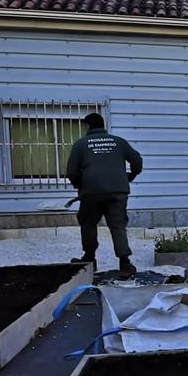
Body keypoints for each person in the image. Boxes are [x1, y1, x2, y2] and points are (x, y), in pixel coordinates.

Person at [66, 113, 142, 277]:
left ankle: (89, 259)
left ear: (88, 126)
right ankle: (125, 263)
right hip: (118, 190)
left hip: (91, 192)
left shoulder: (81, 144)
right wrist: (129, 177)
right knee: (117, 225)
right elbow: (136, 161)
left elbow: (71, 171)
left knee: (88, 223)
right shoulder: (118, 142)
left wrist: (81, 186)